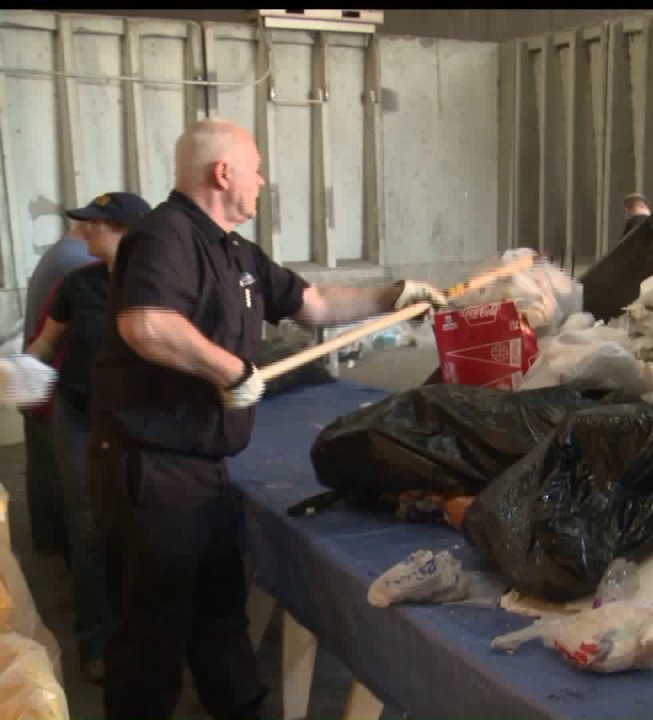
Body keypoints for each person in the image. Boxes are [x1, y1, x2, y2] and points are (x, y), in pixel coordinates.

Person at [85, 117, 447, 720]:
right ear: (222, 172)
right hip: (150, 472)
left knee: (220, 625)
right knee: (150, 642)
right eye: (255, 168)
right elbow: (146, 323)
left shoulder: (236, 251)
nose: (262, 179)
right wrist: (230, 370)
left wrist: (394, 293)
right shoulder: (165, 234)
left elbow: (316, 305)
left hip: (203, 472)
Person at [26, 191, 152, 686]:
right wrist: (21, 367)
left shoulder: (158, 286)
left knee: (143, 525)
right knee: (88, 526)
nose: (84, 231)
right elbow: (46, 341)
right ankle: (95, 642)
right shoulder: (76, 285)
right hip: (81, 419)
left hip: (140, 425)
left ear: (124, 230)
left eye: (94, 224)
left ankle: (144, 632)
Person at [21, 230, 94, 557]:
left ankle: (47, 542)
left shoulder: (59, 254)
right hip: (53, 385)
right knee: (72, 488)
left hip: (37, 382)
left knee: (44, 470)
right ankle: (62, 547)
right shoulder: (78, 265)